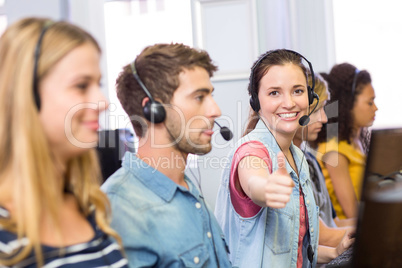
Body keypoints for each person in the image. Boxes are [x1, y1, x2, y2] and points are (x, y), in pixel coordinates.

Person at [0, 18, 127, 267]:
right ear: (27, 96)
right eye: (81, 86)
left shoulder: (89, 208)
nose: (102, 102)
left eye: (97, 84)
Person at [101, 43, 232, 267]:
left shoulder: (187, 188)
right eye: (199, 97)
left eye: (210, 95)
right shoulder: (121, 208)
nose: (215, 110)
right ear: (152, 109)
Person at [214, 49, 320, 267]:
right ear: (256, 102)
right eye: (274, 93)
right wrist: (265, 188)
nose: (289, 103)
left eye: (298, 91)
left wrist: (335, 251)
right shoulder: (251, 151)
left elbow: (293, 248)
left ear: (309, 97)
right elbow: (254, 180)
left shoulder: (297, 155)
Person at [316, 63, 378, 219]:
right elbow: (353, 214)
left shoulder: (356, 141)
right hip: (350, 236)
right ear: (348, 105)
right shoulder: (334, 151)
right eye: (369, 102)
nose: (375, 108)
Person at [293, 74, 355, 228]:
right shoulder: (286, 164)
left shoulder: (311, 160)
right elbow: (322, 237)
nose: (324, 119)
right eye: (316, 110)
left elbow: (333, 223)